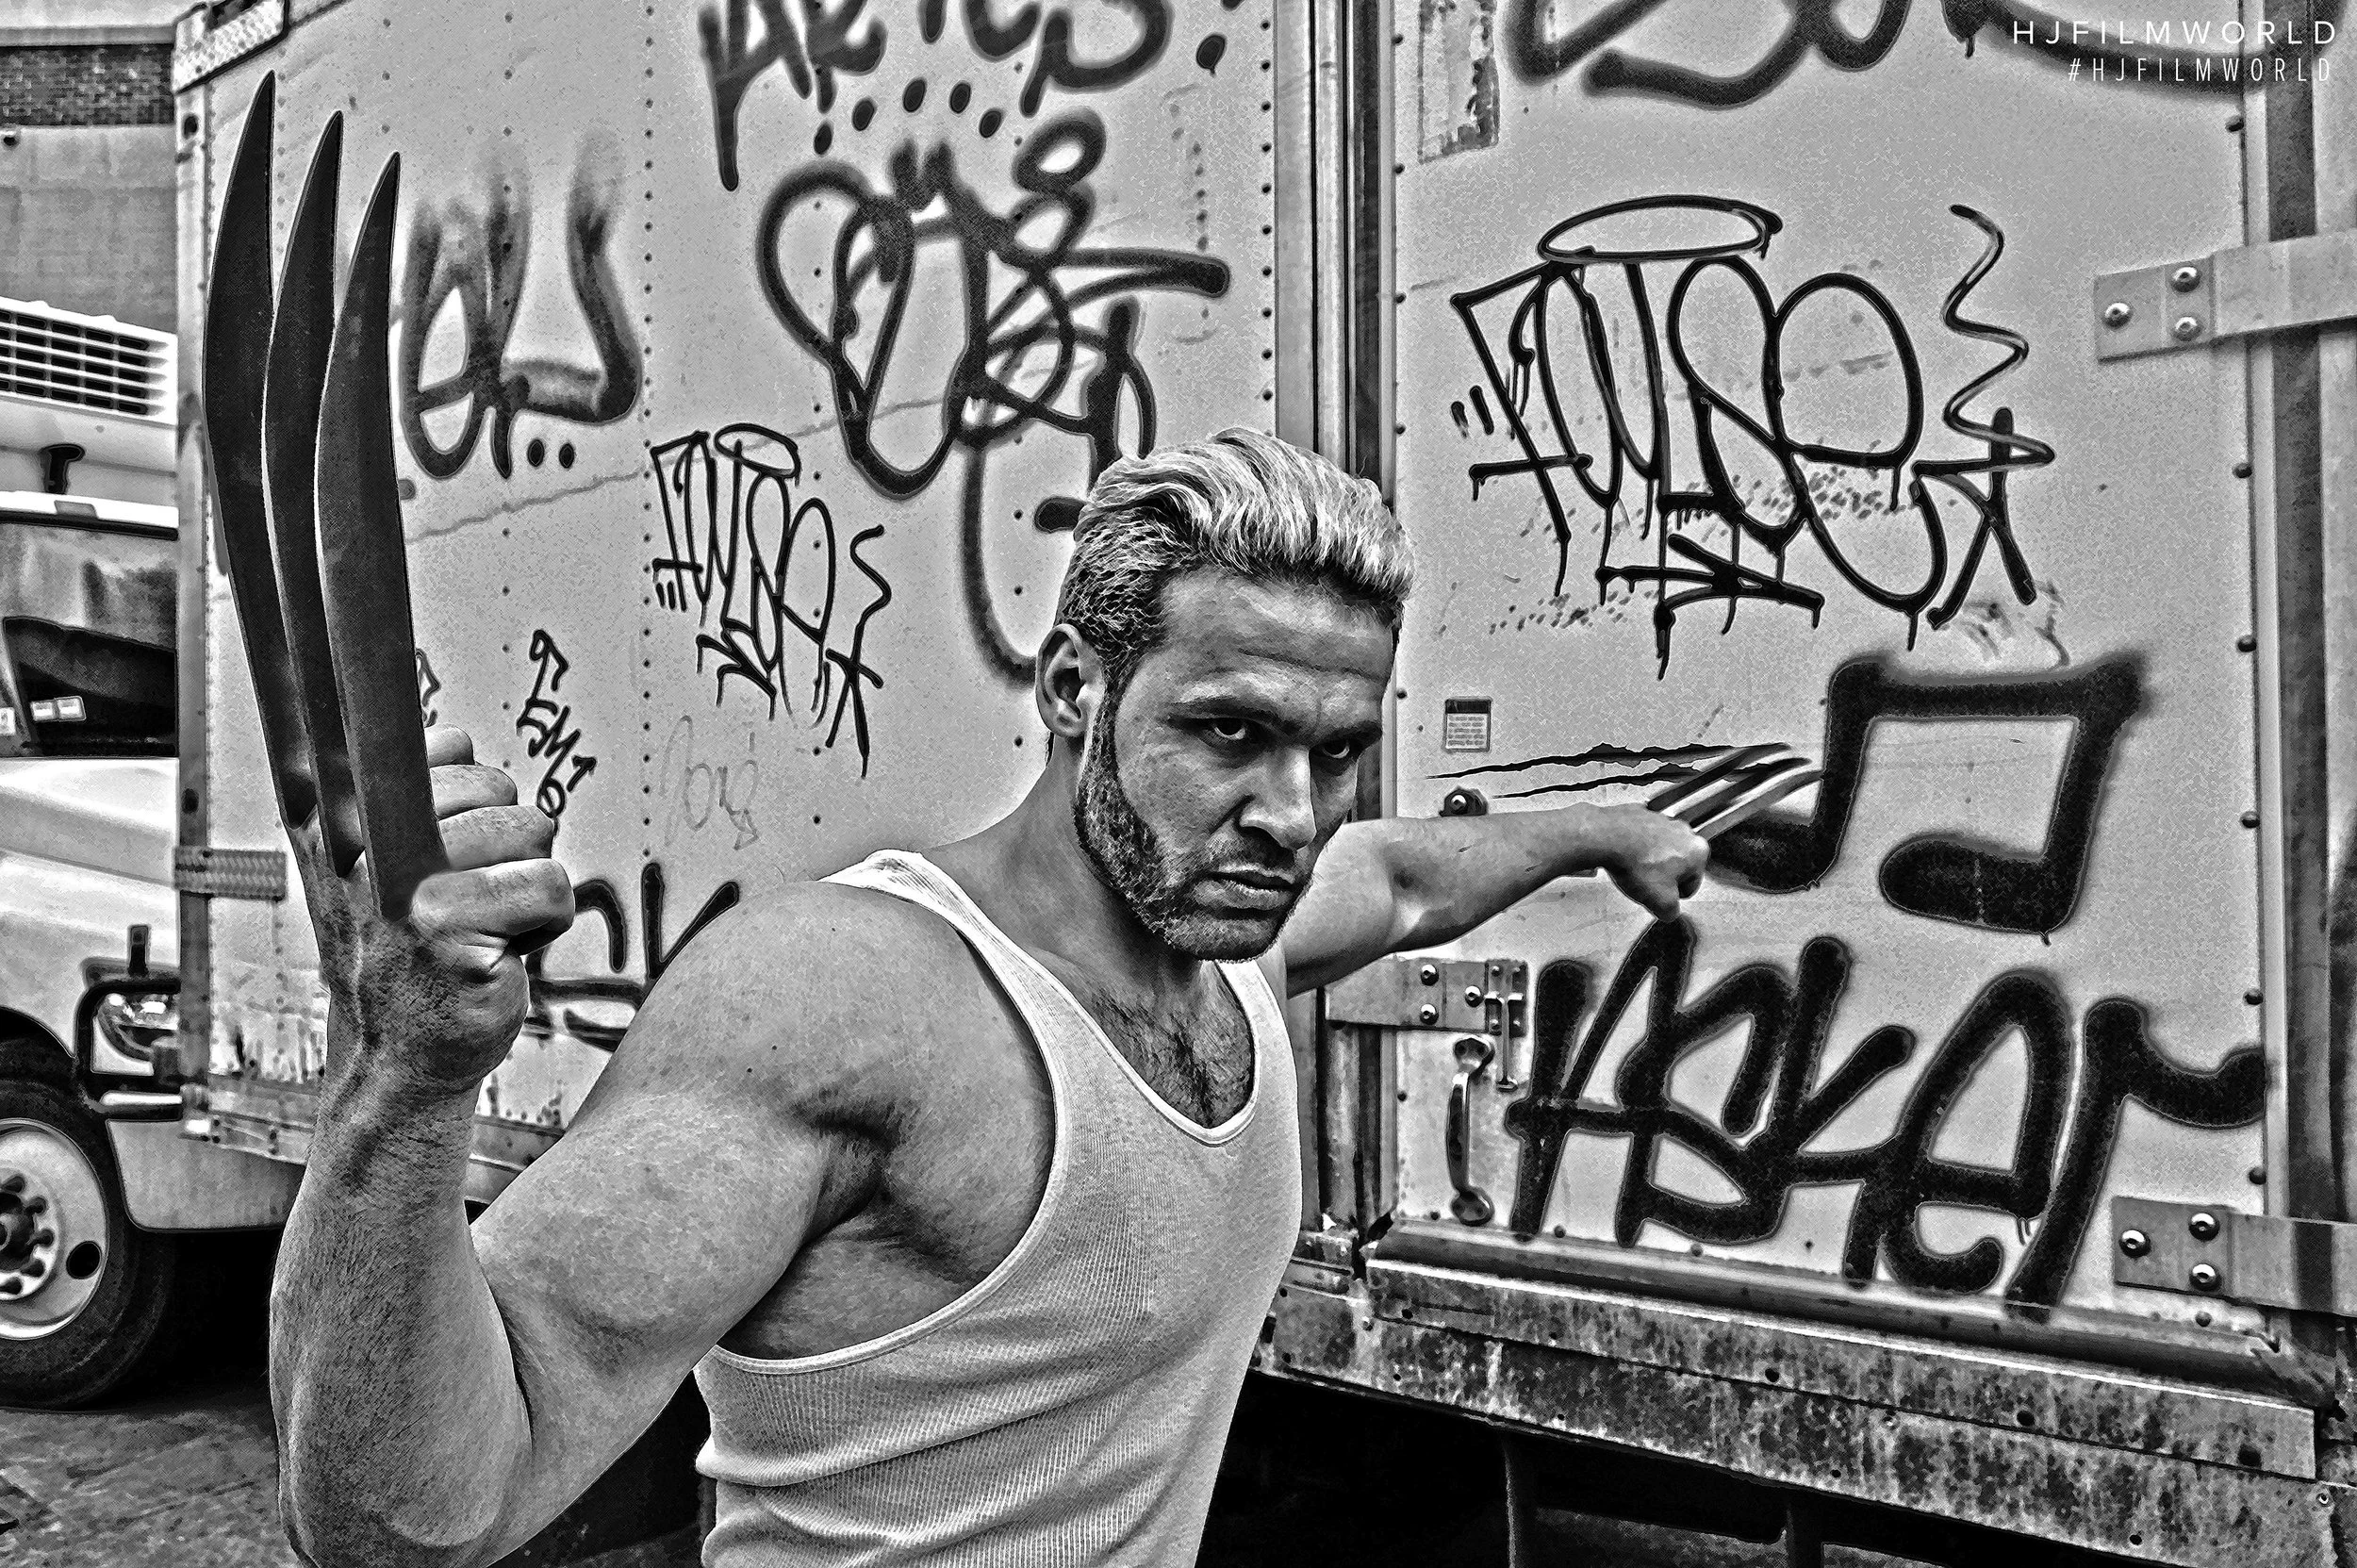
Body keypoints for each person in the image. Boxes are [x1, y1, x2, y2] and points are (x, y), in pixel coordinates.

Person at [269, 428, 1707, 1566]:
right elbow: (413, 1517)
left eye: (1336, 751)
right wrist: (406, 1079)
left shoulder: (1235, 939)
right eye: (1230, 730)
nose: (1292, 812)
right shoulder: (850, 998)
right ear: (1075, 688)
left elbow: (1398, 879)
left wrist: (1602, 830)